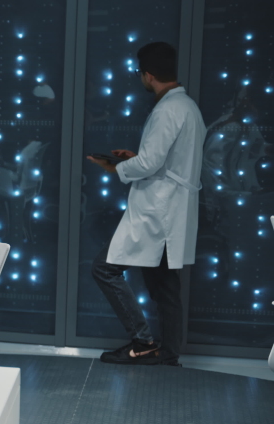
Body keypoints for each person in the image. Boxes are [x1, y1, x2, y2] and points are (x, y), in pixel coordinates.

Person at [87, 42, 206, 366]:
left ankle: (142, 341)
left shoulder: (168, 110)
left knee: (104, 269)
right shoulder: (187, 107)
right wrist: (137, 158)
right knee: (165, 285)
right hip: (170, 206)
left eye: (140, 73)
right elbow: (168, 159)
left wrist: (115, 167)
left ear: (148, 75)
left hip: (159, 208)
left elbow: (151, 163)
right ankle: (168, 354)